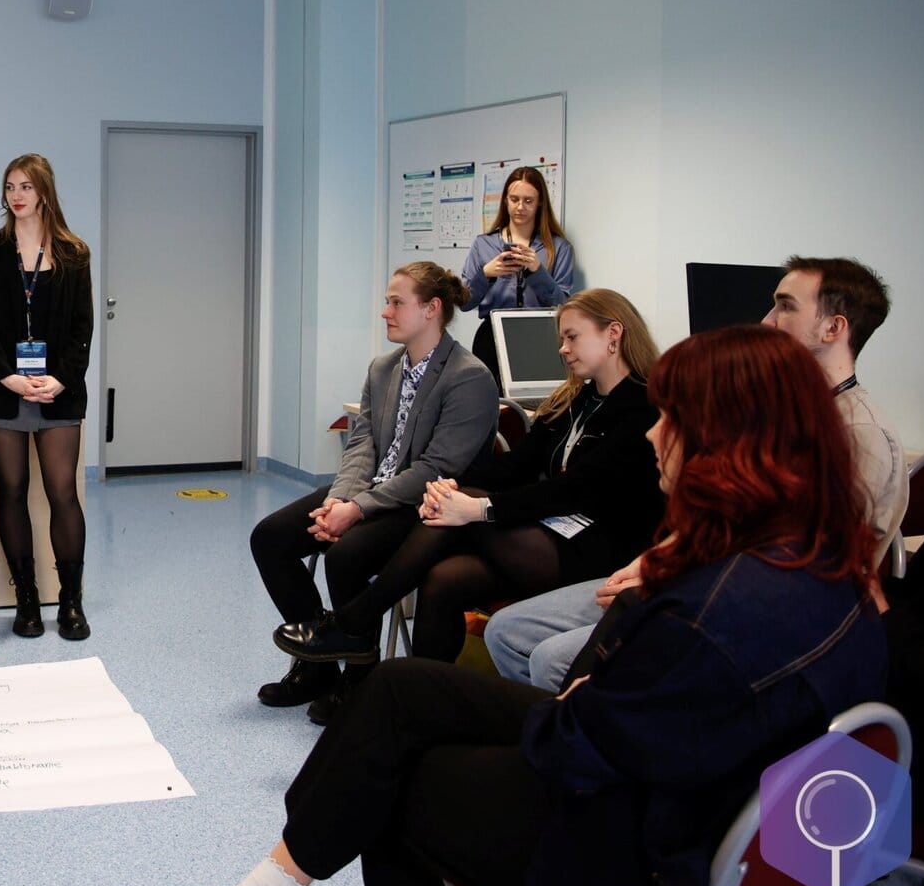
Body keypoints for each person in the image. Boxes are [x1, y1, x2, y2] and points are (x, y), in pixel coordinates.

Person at [182, 325, 886, 886]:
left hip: (636, 856)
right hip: (718, 816)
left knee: (386, 778)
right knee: (400, 689)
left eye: (671, 419)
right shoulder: (830, 568)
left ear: (724, 443)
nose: (653, 432)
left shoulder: (702, 618)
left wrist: (590, 690)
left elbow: (569, 748)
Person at [486, 254, 906, 690]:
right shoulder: (774, 414)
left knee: (553, 660)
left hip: (738, 610)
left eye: (785, 306)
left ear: (833, 328)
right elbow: (717, 518)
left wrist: (670, 574)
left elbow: (804, 578)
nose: (766, 320)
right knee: (507, 632)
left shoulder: (860, 438)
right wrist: (655, 559)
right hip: (695, 575)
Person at [280, 290, 663, 694]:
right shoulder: (575, 399)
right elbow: (517, 466)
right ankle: (419, 701)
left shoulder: (644, 406)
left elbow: (575, 491)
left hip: (603, 548)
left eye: (572, 337)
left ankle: (353, 622)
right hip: (551, 531)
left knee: (462, 516)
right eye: (562, 339)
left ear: (613, 334)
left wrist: (480, 508)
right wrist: (452, 487)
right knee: (444, 579)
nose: (562, 349)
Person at [251, 262, 497, 721]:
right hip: (369, 490)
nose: (385, 311)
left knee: (346, 554)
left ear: (432, 309)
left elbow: (435, 468)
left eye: (396, 302)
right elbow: (362, 442)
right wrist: (338, 498)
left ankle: (360, 680)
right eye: (387, 302)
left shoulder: (469, 376)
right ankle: (318, 665)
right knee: (270, 538)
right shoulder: (383, 369)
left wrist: (357, 509)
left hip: (420, 504)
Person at [0, 153, 96, 640]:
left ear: (44, 192)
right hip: (4, 393)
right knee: (13, 491)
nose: (16, 195)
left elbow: (83, 328)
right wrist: (7, 377)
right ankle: (26, 600)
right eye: (10, 186)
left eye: (25, 186)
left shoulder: (73, 253)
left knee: (63, 493)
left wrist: (61, 378)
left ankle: (70, 601)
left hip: (57, 392)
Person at [461, 166, 574, 381]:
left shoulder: (559, 247)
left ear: (540, 202)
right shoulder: (483, 244)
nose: (520, 207)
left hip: (540, 337)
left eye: (528, 201)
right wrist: (486, 274)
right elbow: (465, 302)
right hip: (491, 338)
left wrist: (537, 271)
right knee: (489, 398)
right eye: (514, 199)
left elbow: (563, 306)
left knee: (538, 398)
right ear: (505, 200)